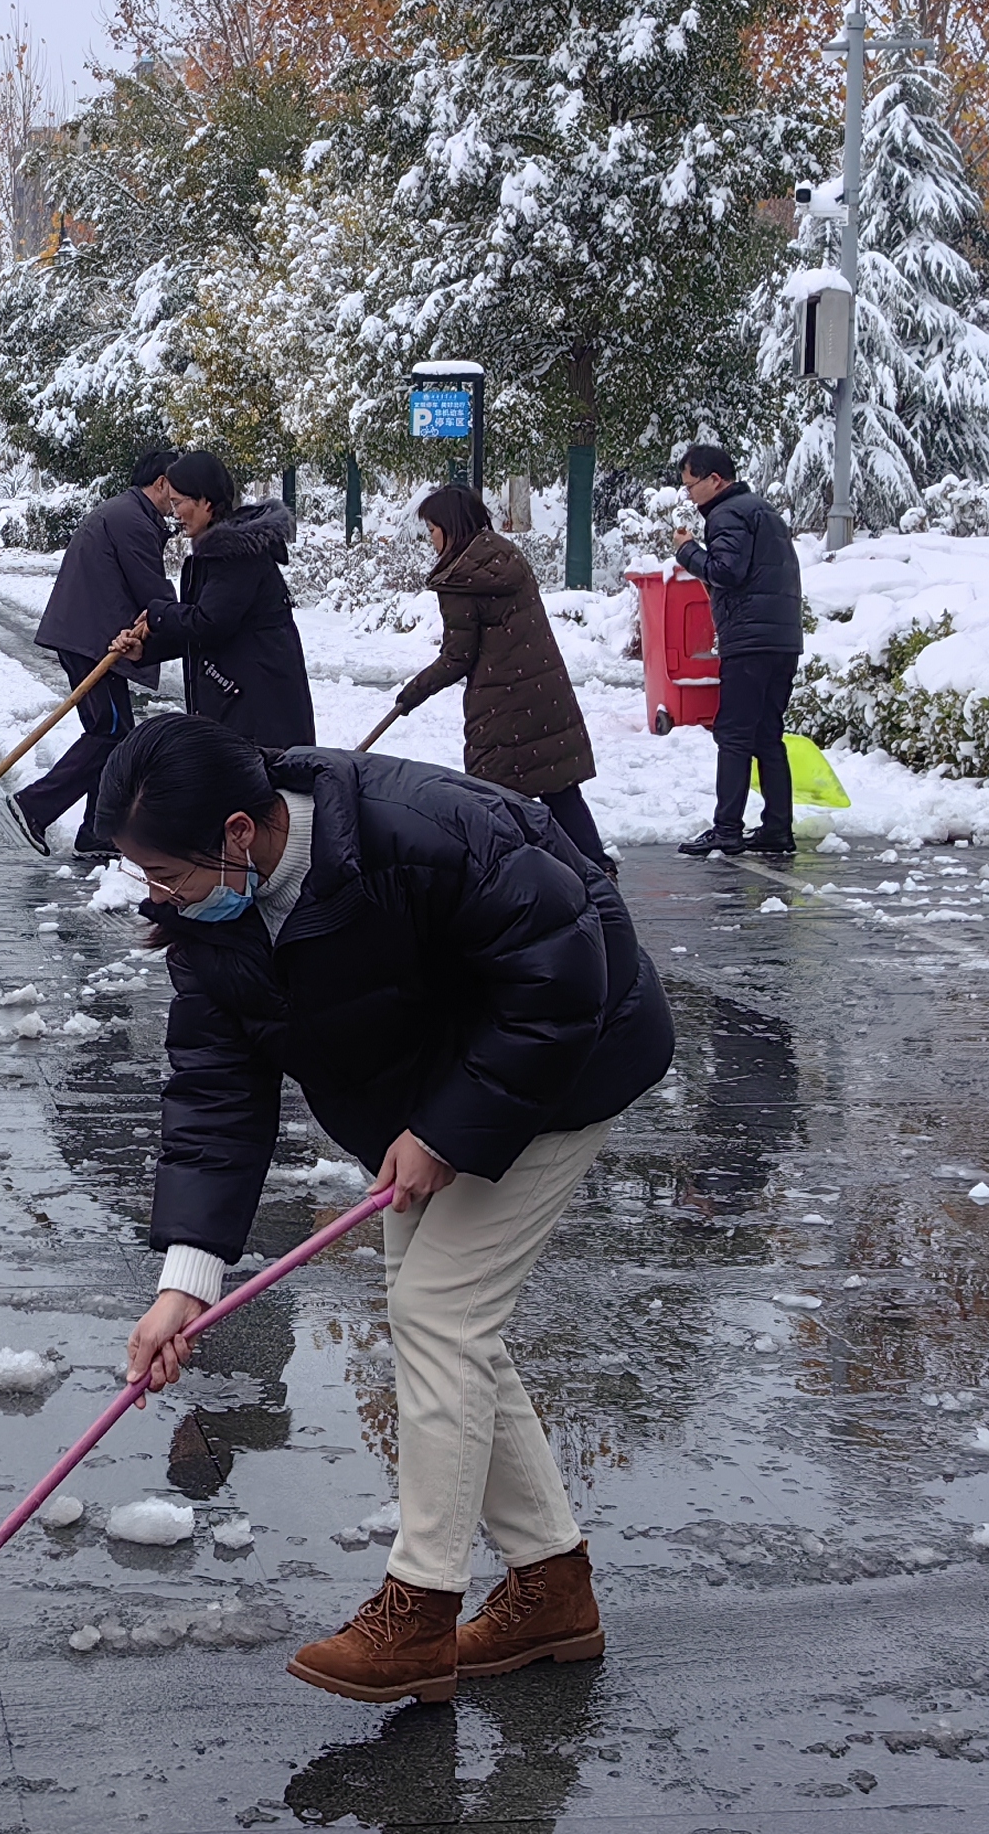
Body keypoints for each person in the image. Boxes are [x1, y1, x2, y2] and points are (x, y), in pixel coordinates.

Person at [106, 711, 671, 1706]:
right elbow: (211, 1098)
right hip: (437, 1092)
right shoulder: (210, 927)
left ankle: (418, 1612)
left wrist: (449, 1131)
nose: (161, 900)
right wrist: (182, 1287)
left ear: (240, 832)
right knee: (441, 1324)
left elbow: (559, 977)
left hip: (566, 1058)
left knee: (438, 1316)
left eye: (171, 875)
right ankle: (550, 1590)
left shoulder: (425, 831)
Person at [386, 484, 606, 868]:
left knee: (495, 799)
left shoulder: (459, 579)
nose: (431, 540)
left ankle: (514, 877)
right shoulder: (505, 555)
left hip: (503, 710)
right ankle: (596, 868)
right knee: (560, 790)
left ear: (451, 528)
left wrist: (411, 694)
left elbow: (457, 657)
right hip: (546, 694)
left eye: (433, 530)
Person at [6, 446, 182, 856]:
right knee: (111, 732)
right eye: (176, 489)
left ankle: (96, 833)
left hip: (87, 633)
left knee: (112, 734)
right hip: (92, 639)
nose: (178, 502)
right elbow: (153, 592)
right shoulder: (133, 521)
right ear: (159, 483)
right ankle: (34, 806)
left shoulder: (127, 513)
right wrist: (185, 621)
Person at [669, 441, 802, 856]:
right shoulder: (762, 510)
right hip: (781, 639)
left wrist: (687, 551)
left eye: (691, 486)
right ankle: (777, 829)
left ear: (715, 480)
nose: (689, 495)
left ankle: (727, 829)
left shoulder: (727, 514)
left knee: (734, 734)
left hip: (749, 640)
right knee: (767, 735)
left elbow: (726, 571)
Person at [151, 447, 315, 750]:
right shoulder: (214, 555)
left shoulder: (235, 555)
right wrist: (145, 649)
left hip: (259, 717)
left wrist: (158, 614)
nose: (174, 513)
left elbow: (210, 624)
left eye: (179, 502)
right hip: (237, 710)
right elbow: (205, 631)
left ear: (206, 502)